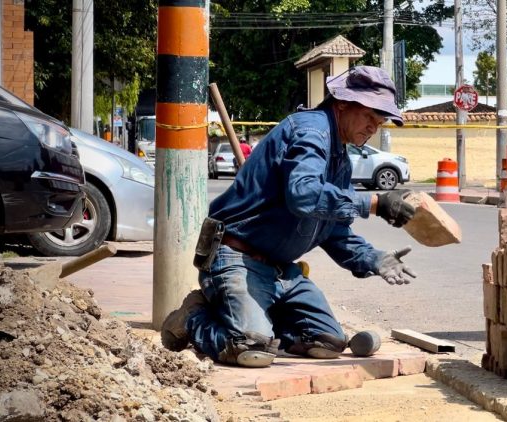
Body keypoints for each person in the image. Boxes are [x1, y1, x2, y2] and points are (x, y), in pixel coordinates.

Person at [161, 66, 417, 368]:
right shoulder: (311, 131)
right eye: (369, 117)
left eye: (380, 121)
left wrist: (375, 259)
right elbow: (304, 194)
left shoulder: (339, 160)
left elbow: (333, 232)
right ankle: (194, 317)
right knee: (252, 349)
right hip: (237, 258)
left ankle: (260, 319)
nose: (374, 128)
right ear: (343, 104)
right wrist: (374, 203)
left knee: (328, 343)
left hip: (282, 272)